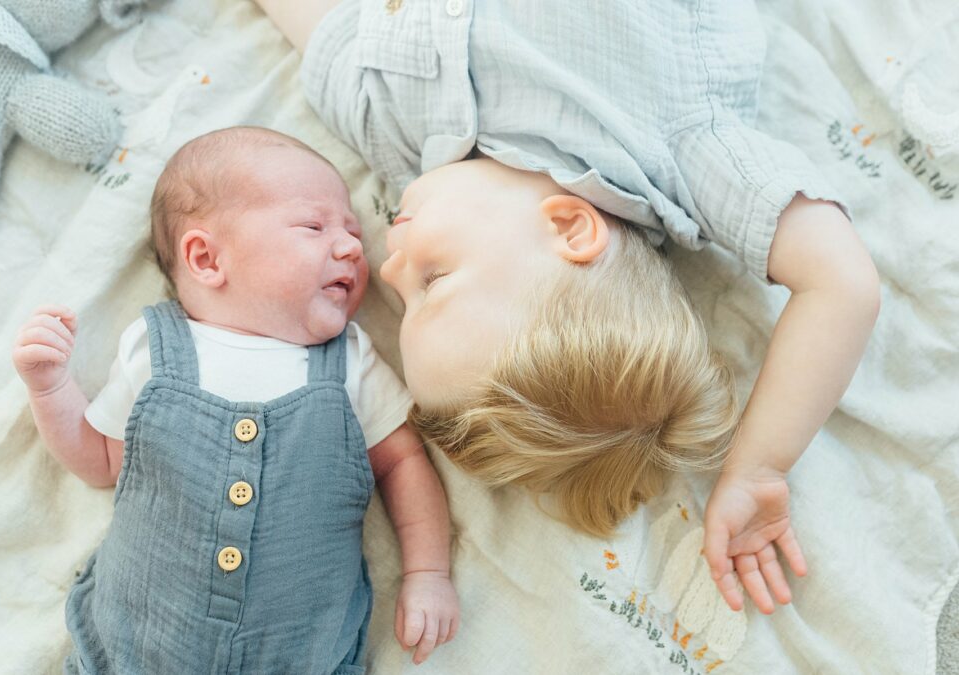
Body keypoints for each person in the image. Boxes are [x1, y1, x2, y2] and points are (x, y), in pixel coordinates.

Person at [253, 0, 881, 616]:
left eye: (403, 297)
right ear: (571, 230)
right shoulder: (680, 148)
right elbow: (842, 284)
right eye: (434, 279)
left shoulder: (388, 120)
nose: (386, 263)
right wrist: (758, 467)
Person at [12, 126, 459, 672]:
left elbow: (404, 463)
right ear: (205, 258)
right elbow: (102, 462)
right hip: (137, 646)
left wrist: (428, 573)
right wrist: (50, 387)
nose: (350, 246)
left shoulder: (349, 362)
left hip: (301, 655)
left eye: (350, 230)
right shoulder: (154, 349)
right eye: (313, 226)